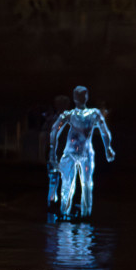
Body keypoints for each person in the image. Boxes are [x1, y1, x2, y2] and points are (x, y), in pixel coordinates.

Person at [48, 86, 116, 217]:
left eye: (82, 95)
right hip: (72, 153)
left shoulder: (92, 114)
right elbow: (54, 130)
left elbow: (104, 131)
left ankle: (82, 214)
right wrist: (52, 151)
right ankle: (67, 213)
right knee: (71, 185)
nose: (80, 98)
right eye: (79, 95)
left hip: (84, 153)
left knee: (85, 185)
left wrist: (108, 148)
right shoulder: (71, 115)